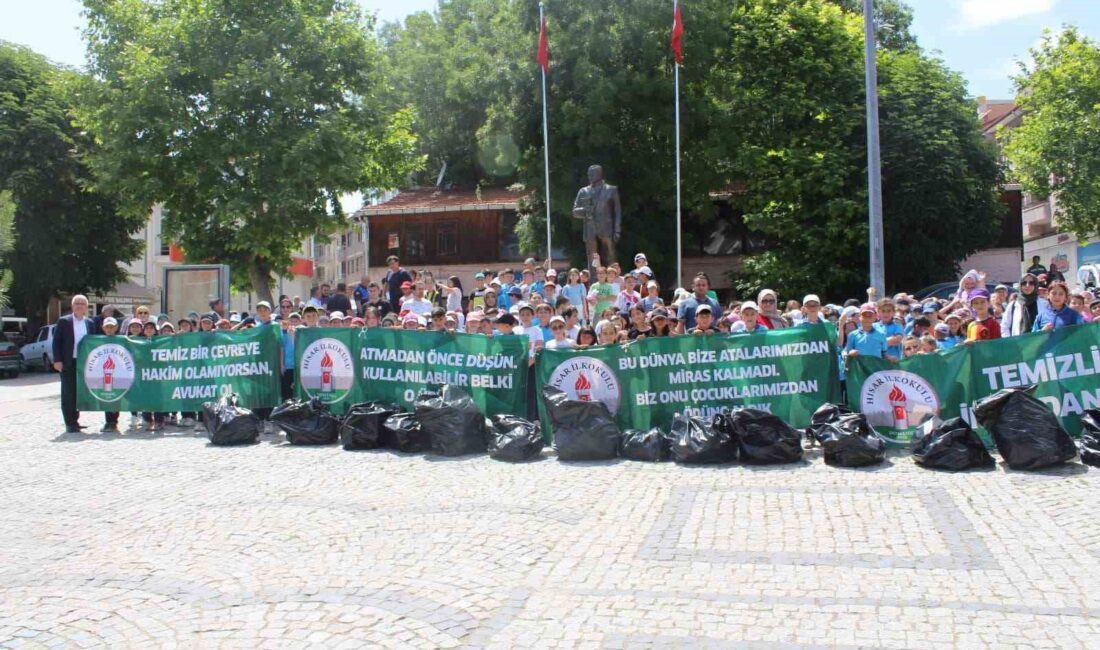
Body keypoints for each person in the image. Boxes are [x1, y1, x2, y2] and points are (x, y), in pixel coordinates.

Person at [53, 295, 99, 433]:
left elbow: (94, 342)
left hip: (84, 363)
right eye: (77, 303)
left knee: (79, 393)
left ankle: (76, 420)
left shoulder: (90, 323)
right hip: (68, 362)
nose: (79, 305)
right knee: (68, 393)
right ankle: (69, 423)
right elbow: (56, 342)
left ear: (86, 307)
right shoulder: (64, 321)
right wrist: (57, 360)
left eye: (82, 303)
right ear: (72, 306)